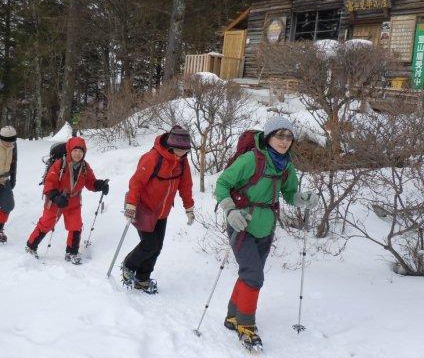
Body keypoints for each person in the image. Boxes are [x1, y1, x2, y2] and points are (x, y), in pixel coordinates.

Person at [214, 116, 317, 352]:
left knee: (250, 273)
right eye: (279, 135)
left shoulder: (286, 165)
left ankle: (233, 316)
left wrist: (303, 199)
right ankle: (246, 326)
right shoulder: (251, 160)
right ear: (269, 137)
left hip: (266, 226)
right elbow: (221, 184)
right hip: (241, 223)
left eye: (289, 137)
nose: (284, 141)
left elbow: (290, 194)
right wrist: (230, 210)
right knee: (253, 274)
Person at [121, 125, 195, 294]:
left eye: (185, 151)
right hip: (144, 209)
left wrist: (189, 208)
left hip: (162, 212)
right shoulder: (152, 158)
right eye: (178, 150)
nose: (181, 154)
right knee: (149, 244)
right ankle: (128, 265)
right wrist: (131, 205)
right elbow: (136, 183)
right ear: (171, 145)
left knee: (157, 247)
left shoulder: (183, 163)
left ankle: (142, 280)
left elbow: (186, 186)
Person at [26, 136, 109, 264]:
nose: (77, 154)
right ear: (70, 150)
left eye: (80, 151)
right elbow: (49, 182)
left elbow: (90, 182)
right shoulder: (60, 164)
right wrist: (55, 197)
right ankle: (31, 246)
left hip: (74, 200)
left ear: (84, 153)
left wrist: (100, 185)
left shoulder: (85, 167)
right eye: (75, 151)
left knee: (76, 225)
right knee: (47, 223)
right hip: (56, 200)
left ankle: (72, 252)